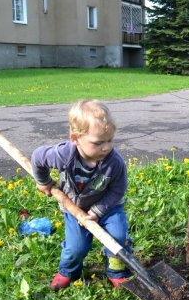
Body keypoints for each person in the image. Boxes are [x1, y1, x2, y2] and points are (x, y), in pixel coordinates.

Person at [31, 100, 132, 290]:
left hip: (108, 207)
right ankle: (68, 271)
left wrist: (97, 211)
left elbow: (118, 190)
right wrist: (43, 181)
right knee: (76, 247)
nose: (106, 147)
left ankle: (117, 271)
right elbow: (37, 157)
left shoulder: (114, 162)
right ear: (75, 138)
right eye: (98, 143)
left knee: (118, 236)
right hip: (74, 209)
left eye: (110, 140)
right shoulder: (62, 155)